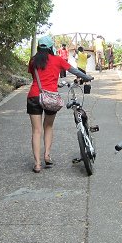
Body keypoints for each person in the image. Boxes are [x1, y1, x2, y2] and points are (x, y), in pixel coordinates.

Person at [28, 36, 93, 173]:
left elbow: (35, 77)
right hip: (50, 97)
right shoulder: (57, 60)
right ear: (51, 48)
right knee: (48, 126)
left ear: (39, 47)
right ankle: (47, 155)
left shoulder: (33, 61)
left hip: (34, 96)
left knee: (36, 130)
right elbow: (74, 71)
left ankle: (37, 164)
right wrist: (87, 77)